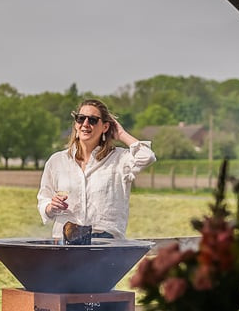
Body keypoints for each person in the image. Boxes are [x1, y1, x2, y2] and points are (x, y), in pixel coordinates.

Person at [37, 98, 156, 239]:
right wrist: (51, 207)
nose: (85, 124)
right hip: (64, 241)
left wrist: (121, 134)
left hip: (105, 243)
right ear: (76, 124)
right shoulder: (57, 161)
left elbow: (147, 156)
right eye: (80, 119)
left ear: (105, 127)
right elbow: (43, 199)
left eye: (92, 120)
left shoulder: (119, 159)